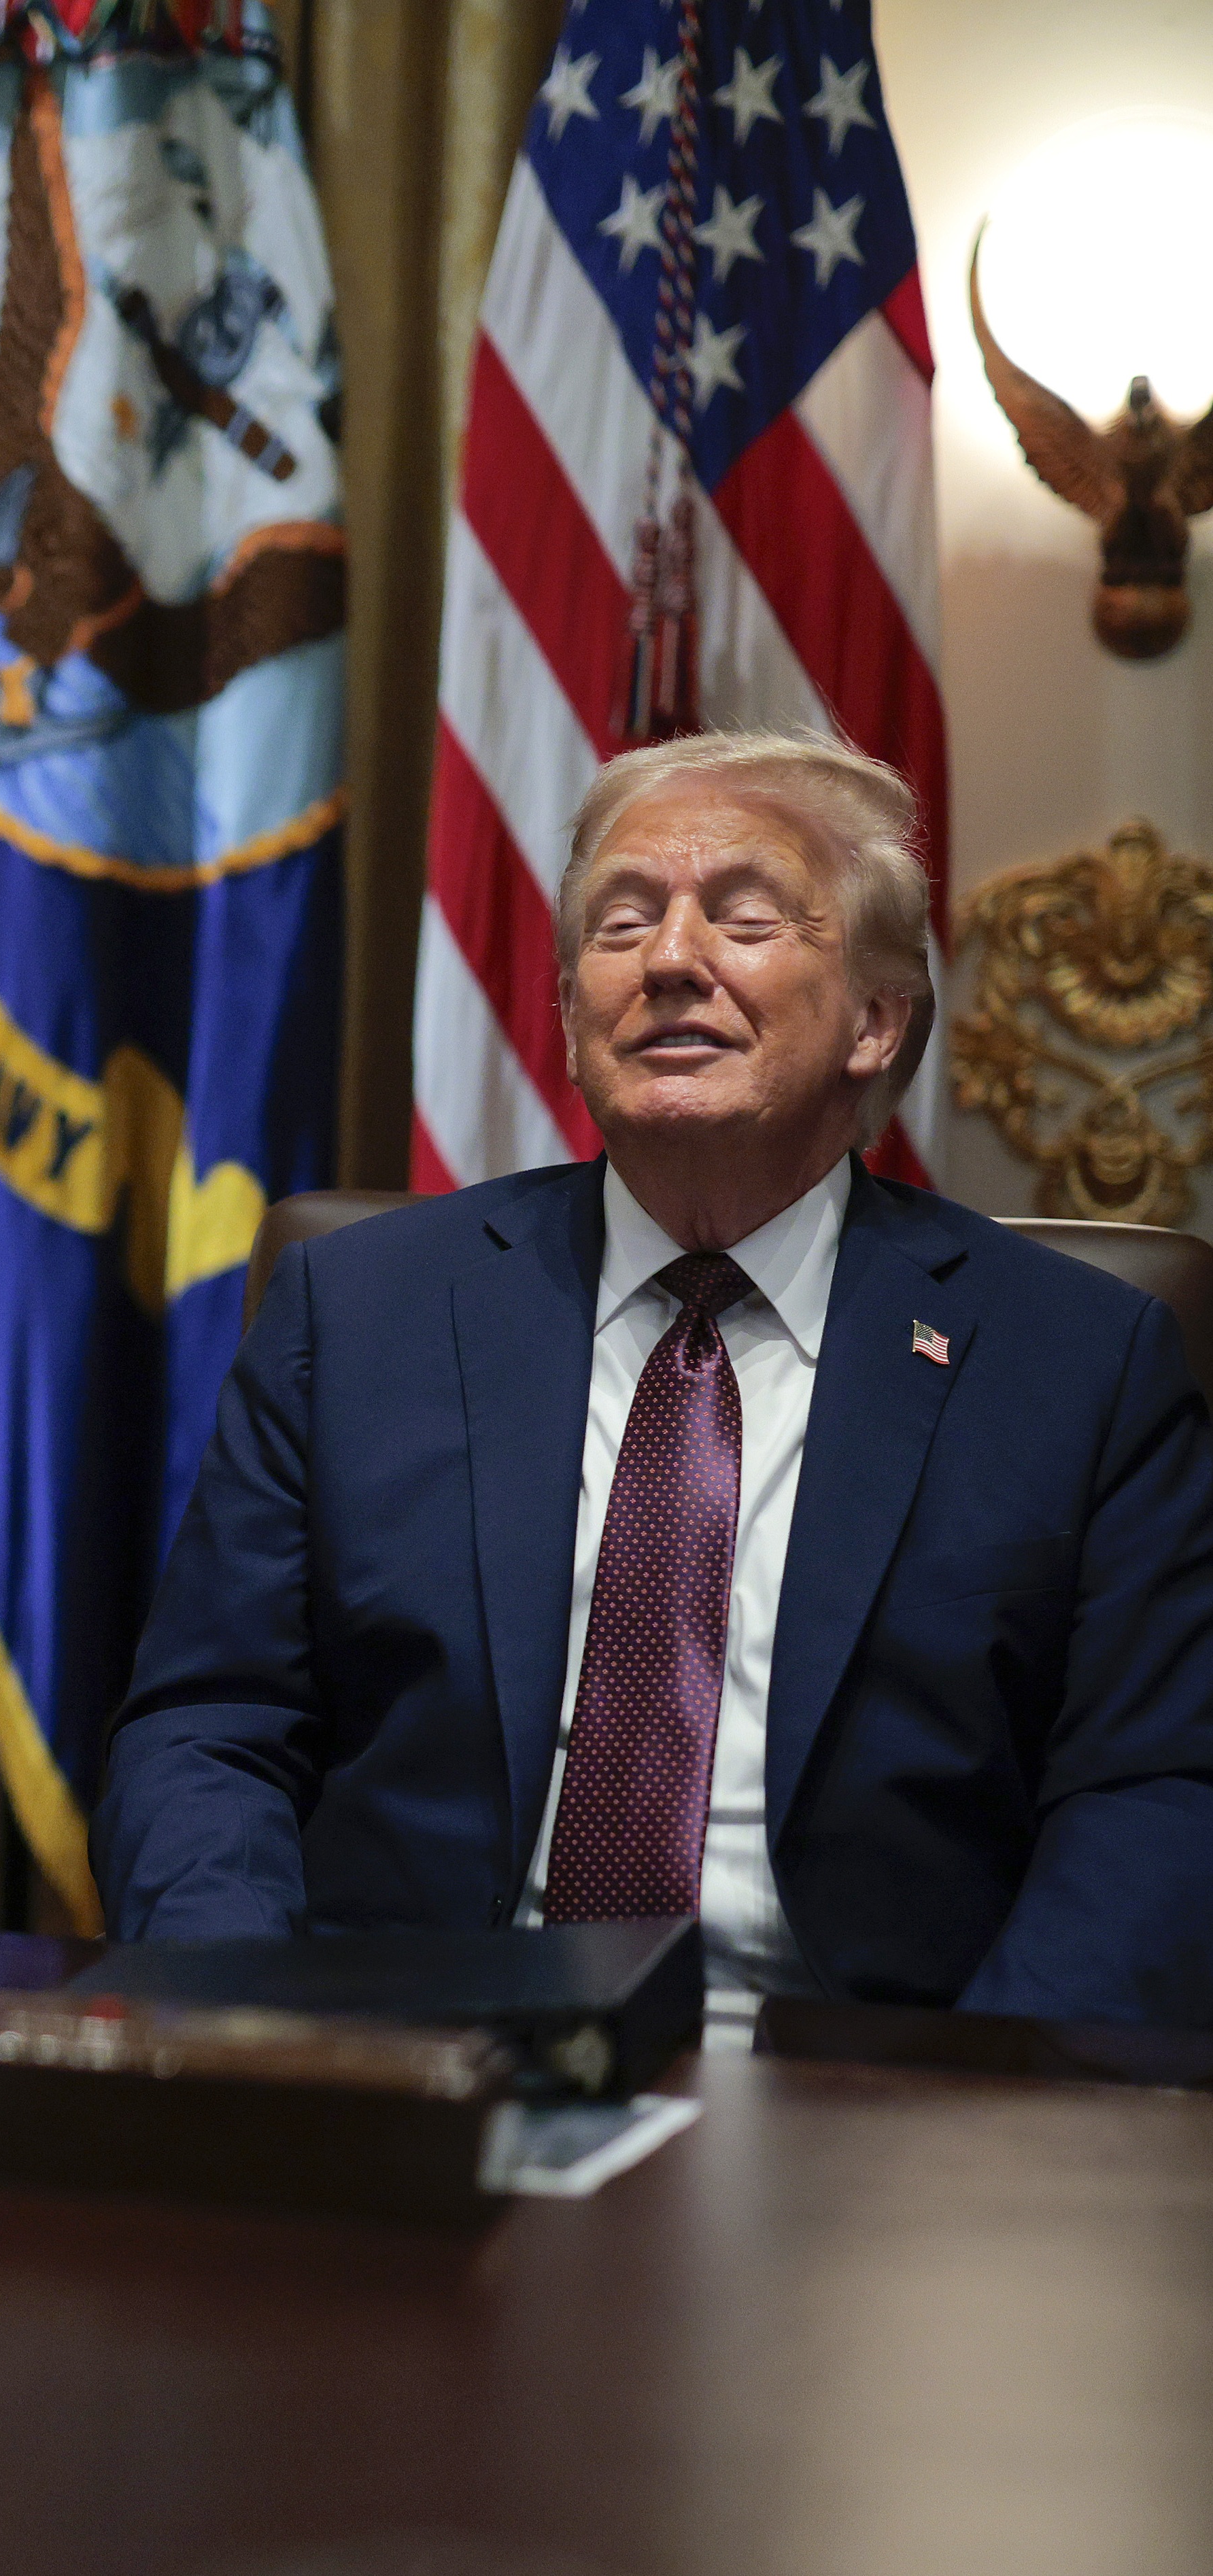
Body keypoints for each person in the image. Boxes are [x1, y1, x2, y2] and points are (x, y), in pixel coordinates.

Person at [101, 729, 1213, 2027]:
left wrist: (981, 2119)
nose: (672, 960)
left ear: (877, 1017)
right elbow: (205, 1729)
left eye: (744, 917)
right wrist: (248, 2033)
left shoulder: (1077, 1362)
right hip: (405, 2069)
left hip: (863, 2113)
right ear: (572, 1019)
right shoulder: (363, 1310)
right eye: (622, 924)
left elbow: (1154, 1797)